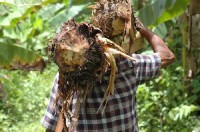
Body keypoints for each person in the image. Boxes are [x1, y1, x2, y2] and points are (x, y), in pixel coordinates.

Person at [41, 18, 175, 132]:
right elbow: (167, 56)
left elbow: (51, 127)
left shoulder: (64, 79)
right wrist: (142, 28)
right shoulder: (127, 67)